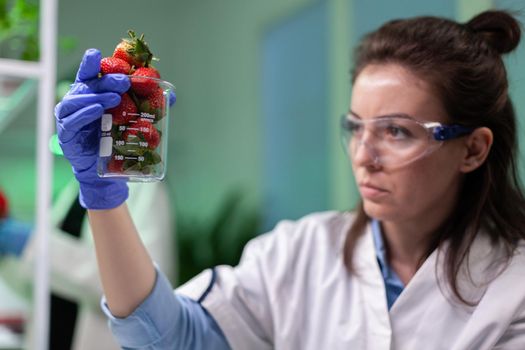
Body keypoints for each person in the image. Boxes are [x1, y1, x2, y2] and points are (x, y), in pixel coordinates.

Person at [54, 10, 525, 349]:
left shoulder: (513, 290)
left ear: (473, 148)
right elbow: (170, 337)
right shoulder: (299, 254)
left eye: (397, 131)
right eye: (356, 127)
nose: (365, 155)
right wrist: (103, 198)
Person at [0, 178, 175, 350]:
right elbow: (44, 288)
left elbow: (139, 289)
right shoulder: (74, 189)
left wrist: (34, 245)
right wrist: (10, 256)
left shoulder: (143, 186)